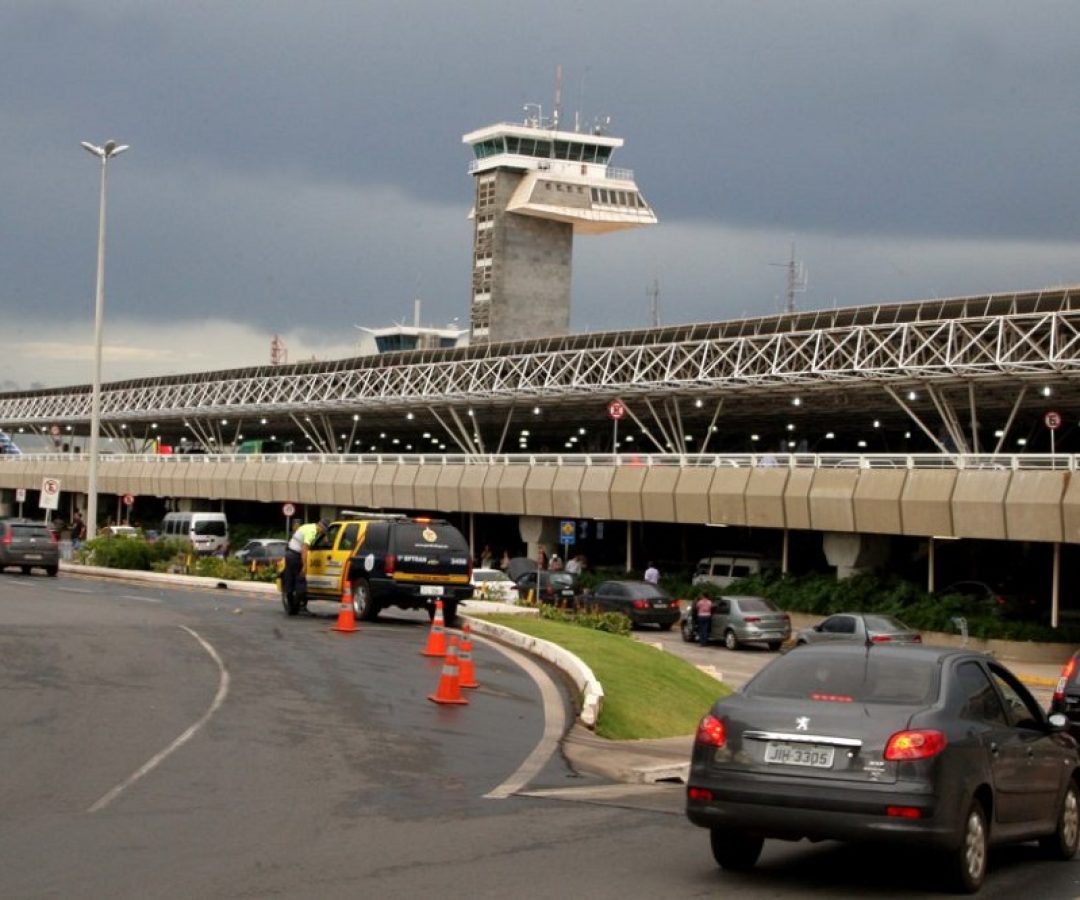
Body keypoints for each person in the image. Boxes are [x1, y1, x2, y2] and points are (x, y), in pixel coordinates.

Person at [283, 517, 330, 612]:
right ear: (322, 527)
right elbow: (304, 549)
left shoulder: (309, 526)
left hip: (289, 554)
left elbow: (324, 540)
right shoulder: (312, 532)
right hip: (296, 556)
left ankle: (291, 607)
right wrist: (305, 565)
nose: (323, 533)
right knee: (301, 583)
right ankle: (295, 607)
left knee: (290, 580)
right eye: (324, 530)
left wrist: (324, 536)